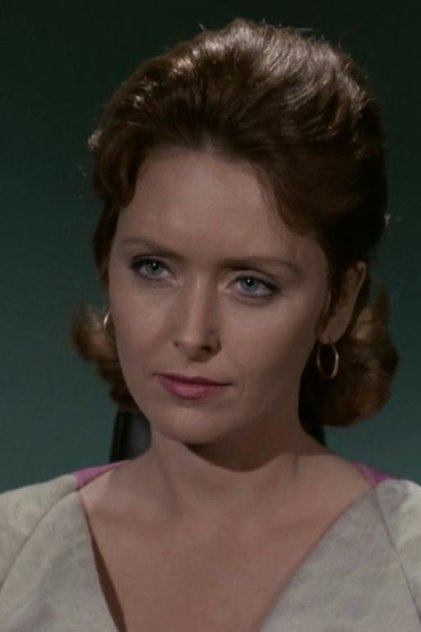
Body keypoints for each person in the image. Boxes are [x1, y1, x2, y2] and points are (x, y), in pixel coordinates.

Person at [0, 18, 419, 632]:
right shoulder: (12, 553)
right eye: (154, 268)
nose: (193, 334)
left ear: (338, 302)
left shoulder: (410, 566)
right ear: (107, 265)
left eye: (251, 283)